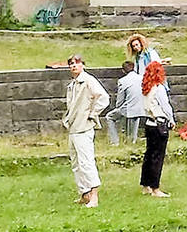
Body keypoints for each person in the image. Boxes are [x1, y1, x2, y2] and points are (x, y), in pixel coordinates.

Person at [62, 55, 110, 208]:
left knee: (86, 162)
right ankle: (84, 193)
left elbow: (103, 98)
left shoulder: (89, 80)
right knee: (76, 163)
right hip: (73, 128)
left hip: (84, 127)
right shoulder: (72, 85)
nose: (73, 66)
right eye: (71, 64)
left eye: (76, 63)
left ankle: (94, 196)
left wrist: (92, 114)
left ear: (83, 64)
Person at [139, 60, 174, 197]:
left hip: (149, 123)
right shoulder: (159, 88)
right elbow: (165, 106)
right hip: (159, 124)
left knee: (149, 155)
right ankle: (155, 188)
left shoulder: (147, 88)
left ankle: (146, 185)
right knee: (157, 157)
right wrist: (171, 119)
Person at [105, 60, 146, 145]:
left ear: (123, 70)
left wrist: (117, 107)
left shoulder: (123, 81)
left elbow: (120, 100)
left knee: (109, 117)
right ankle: (132, 141)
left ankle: (115, 142)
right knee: (134, 123)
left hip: (129, 108)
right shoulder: (142, 78)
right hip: (141, 107)